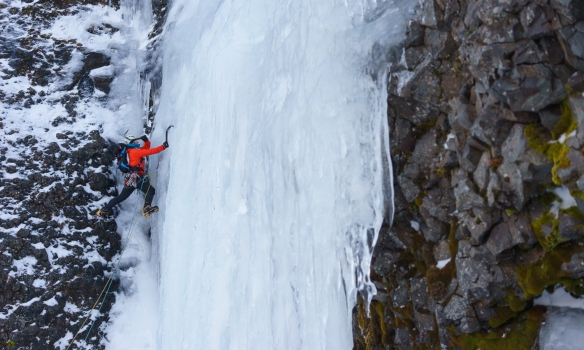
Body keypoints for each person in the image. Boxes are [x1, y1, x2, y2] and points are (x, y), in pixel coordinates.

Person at [96, 134, 169, 217]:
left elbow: (146, 149)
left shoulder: (131, 151)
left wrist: (146, 141)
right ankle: (146, 208)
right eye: (135, 141)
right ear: (131, 142)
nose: (137, 141)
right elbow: (150, 151)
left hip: (130, 180)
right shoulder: (134, 152)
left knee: (120, 198)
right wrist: (163, 146)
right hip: (135, 178)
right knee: (150, 190)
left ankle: (103, 210)